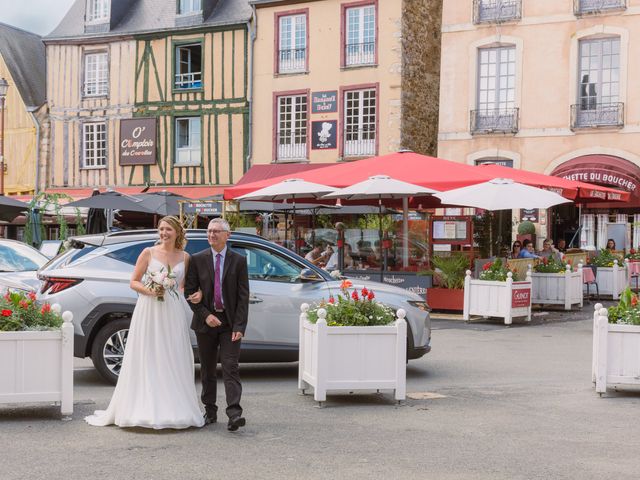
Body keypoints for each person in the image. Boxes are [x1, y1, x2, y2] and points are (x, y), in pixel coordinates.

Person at [85, 216, 205, 429]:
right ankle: (143, 407)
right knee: (148, 353)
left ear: (177, 232)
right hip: (149, 309)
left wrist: (195, 295)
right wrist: (150, 290)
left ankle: (174, 407)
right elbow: (133, 281)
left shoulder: (185, 257)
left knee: (172, 354)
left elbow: (182, 287)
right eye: (161, 229)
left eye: (168, 229)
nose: (164, 233)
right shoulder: (148, 253)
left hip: (173, 311)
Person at [184, 218, 250, 432]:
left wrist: (239, 327)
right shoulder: (197, 259)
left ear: (227, 235)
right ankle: (210, 410)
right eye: (209, 231)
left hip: (230, 324)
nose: (212, 235)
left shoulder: (239, 261)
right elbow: (189, 293)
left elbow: (243, 296)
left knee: (230, 367)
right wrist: (205, 315)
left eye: (217, 232)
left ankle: (234, 414)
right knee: (208, 369)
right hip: (206, 324)